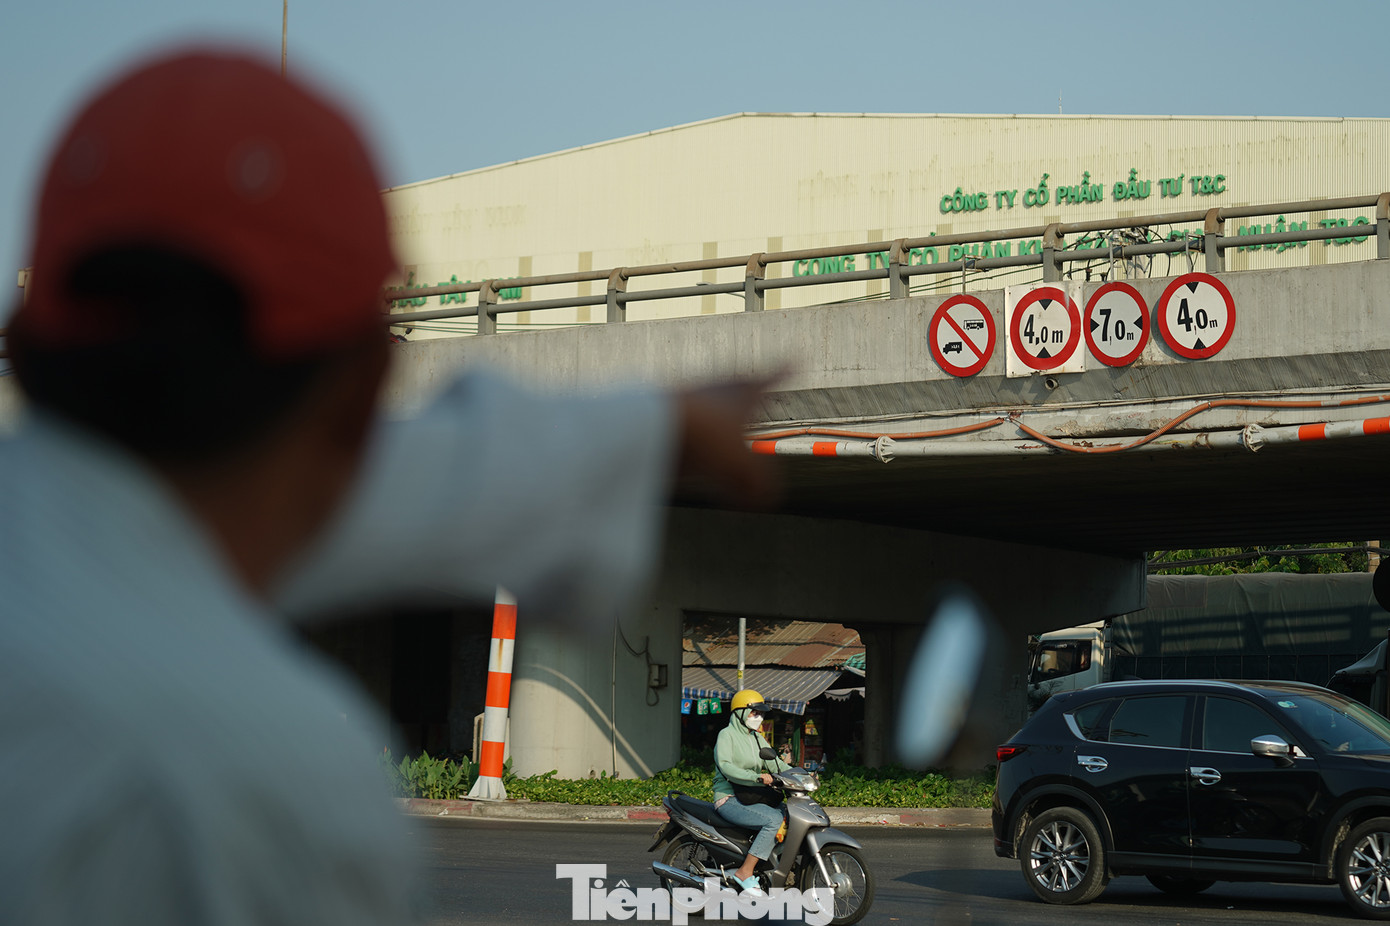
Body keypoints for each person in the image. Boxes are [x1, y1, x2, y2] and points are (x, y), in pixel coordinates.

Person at [0, 48, 775, 925]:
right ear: (367, 380)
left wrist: (649, 425)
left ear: (24, 345)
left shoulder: (68, 535)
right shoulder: (264, 786)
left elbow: (414, 478)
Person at [712, 689, 792, 896]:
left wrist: (801, 775)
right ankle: (745, 872)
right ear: (739, 713)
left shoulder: (757, 738)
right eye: (754, 713)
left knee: (789, 813)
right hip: (729, 798)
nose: (759, 718)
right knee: (774, 820)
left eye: (761, 714)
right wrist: (756, 777)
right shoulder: (726, 735)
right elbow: (726, 766)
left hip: (750, 796)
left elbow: (776, 763)